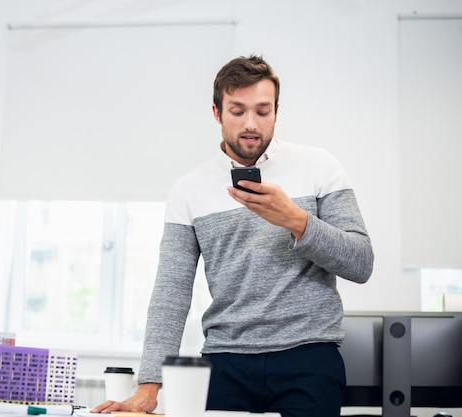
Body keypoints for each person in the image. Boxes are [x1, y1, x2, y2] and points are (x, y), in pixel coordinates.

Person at [91, 54, 374, 417]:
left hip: (309, 360)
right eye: (237, 111)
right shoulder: (188, 189)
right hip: (225, 364)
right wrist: (149, 387)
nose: (251, 124)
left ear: (276, 110)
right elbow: (171, 291)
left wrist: (296, 220)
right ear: (216, 113)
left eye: (262, 110)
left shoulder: (320, 167)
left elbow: (361, 262)